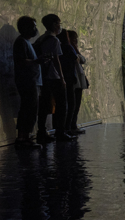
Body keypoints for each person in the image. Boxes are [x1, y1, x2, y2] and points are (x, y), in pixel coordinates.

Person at [34, 14, 73, 143]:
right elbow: (56, 60)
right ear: (53, 24)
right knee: (62, 104)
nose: (59, 26)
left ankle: (41, 131)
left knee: (44, 105)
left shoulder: (41, 38)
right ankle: (60, 131)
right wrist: (62, 78)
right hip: (53, 76)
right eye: (58, 23)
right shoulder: (54, 40)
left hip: (43, 76)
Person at [12, 16, 42, 149]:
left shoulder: (26, 42)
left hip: (31, 80)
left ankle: (24, 137)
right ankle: (24, 137)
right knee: (28, 109)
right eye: (33, 26)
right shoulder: (21, 42)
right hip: (27, 81)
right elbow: (20, 61)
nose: (35, 29)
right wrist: (37, 61)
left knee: (29, 109)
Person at [56, 28, 80, 133]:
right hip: (69, 78)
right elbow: (78, 59)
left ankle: (64, 128)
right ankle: (67, 128)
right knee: (70, 104)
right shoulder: (67, 47)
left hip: (63, 78)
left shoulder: (59, 46)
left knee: (65, 104)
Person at [67, 30, 89, 133]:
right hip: (74, 80)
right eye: (74, 38)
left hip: (78, 80)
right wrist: (75, 48)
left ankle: (73, 125)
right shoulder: (68, 49)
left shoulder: (72, 49)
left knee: (76, 104)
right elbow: (80, 59)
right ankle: (70, 126)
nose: (76, 41)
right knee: (73, 104)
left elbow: (83, 60)